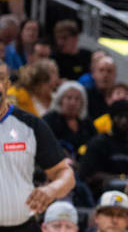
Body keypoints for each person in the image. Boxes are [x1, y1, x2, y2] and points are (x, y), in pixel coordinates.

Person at [0, 61, 75, 232]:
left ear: (7, 84)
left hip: (22, 226)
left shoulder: (30, 124)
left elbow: (66, 175)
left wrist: (51, 189)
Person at [42, 80, 97, 156]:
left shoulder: (87, 121)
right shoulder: (49, 120)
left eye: (77, 99)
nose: (73, 103)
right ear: (60, 100)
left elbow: (95, 144)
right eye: (69, 98)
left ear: (82, 103)